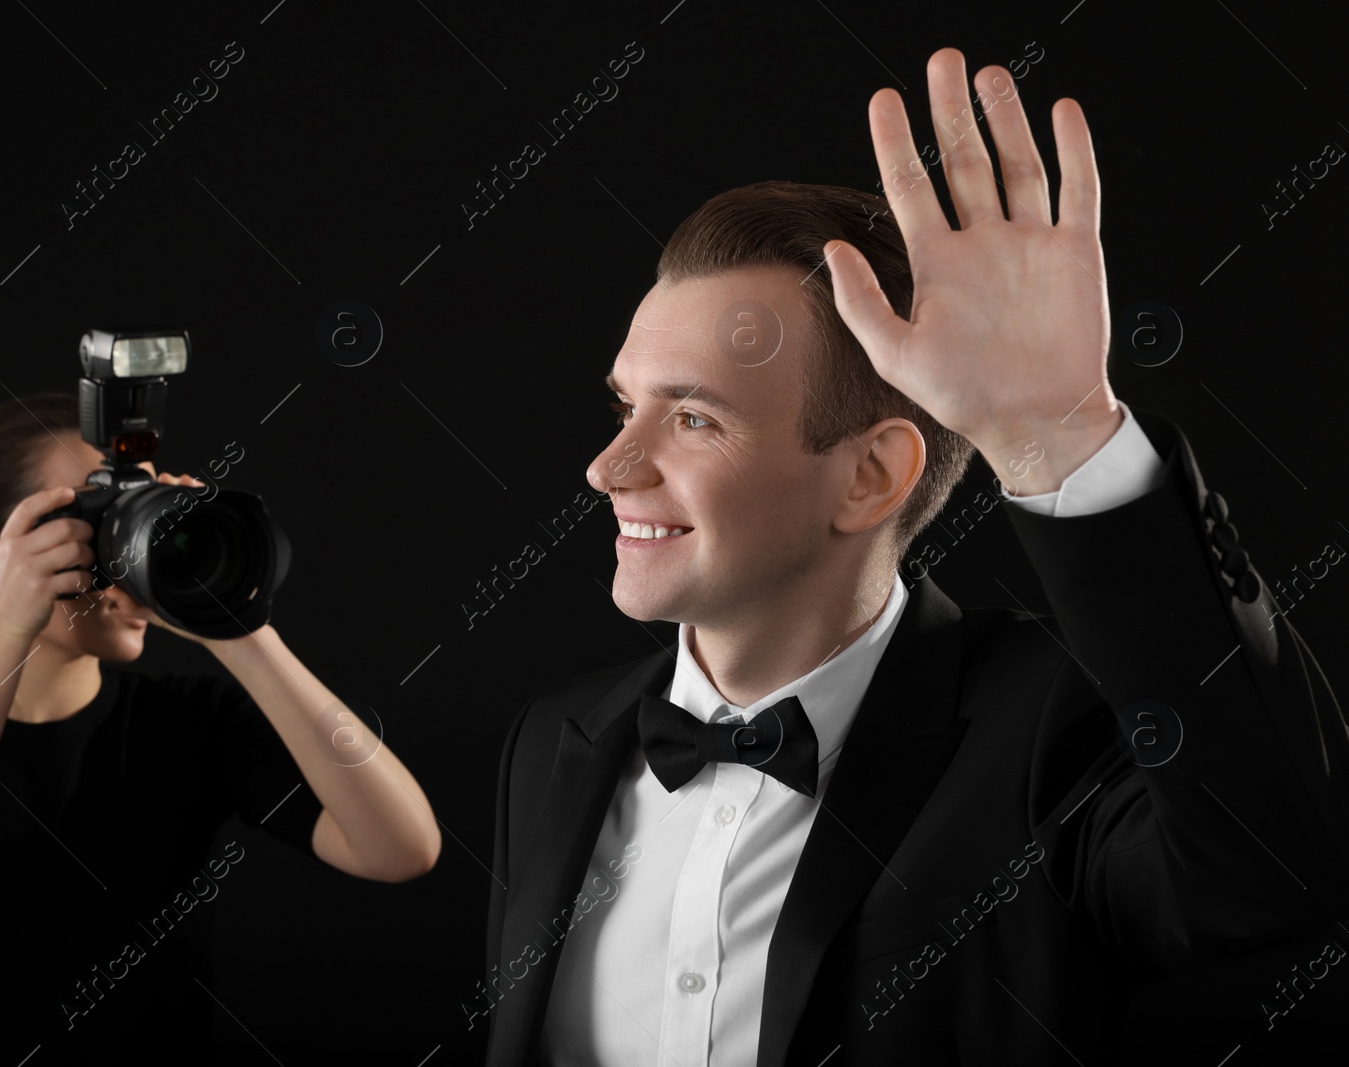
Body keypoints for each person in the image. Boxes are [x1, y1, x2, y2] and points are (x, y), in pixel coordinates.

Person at [480, 47, 1349, 1065]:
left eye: (694, 419)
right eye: (627, 405)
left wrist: (1058, 431)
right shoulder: (551, 740)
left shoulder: (1054, 730)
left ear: (870, 476)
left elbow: (1276, 877)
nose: (607, 466)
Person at [0, 391, 441, 1065]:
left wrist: (234, 622)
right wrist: (1, 630)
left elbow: (401, 847)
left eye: (134, 509)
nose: (121, 544)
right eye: (92, 518)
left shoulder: (191, 721)